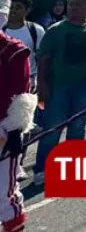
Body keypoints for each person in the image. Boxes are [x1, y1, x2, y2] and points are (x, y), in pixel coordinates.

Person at [32, 0, 86, 185]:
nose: (73, 9)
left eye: (78, 5)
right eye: (70, 5)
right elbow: (43, 60)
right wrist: (42, 84)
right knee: (53, 126)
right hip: (58, 85)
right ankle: (42, 169)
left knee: (78, 124)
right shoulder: (55, 30)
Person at [0, 30, 38, 232]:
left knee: (4, 191)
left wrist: (15, 131)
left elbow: (22, 93)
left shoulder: (13, 51)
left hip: (3, 129)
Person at [3, 0, 45, 92]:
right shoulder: (1, 30)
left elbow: (42, 57)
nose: (13, 10)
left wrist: (41, 82)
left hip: (30, 81)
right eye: (10, 7)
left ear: (27, 11)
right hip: (5, 81)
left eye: (18, 7)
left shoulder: (36, 30)